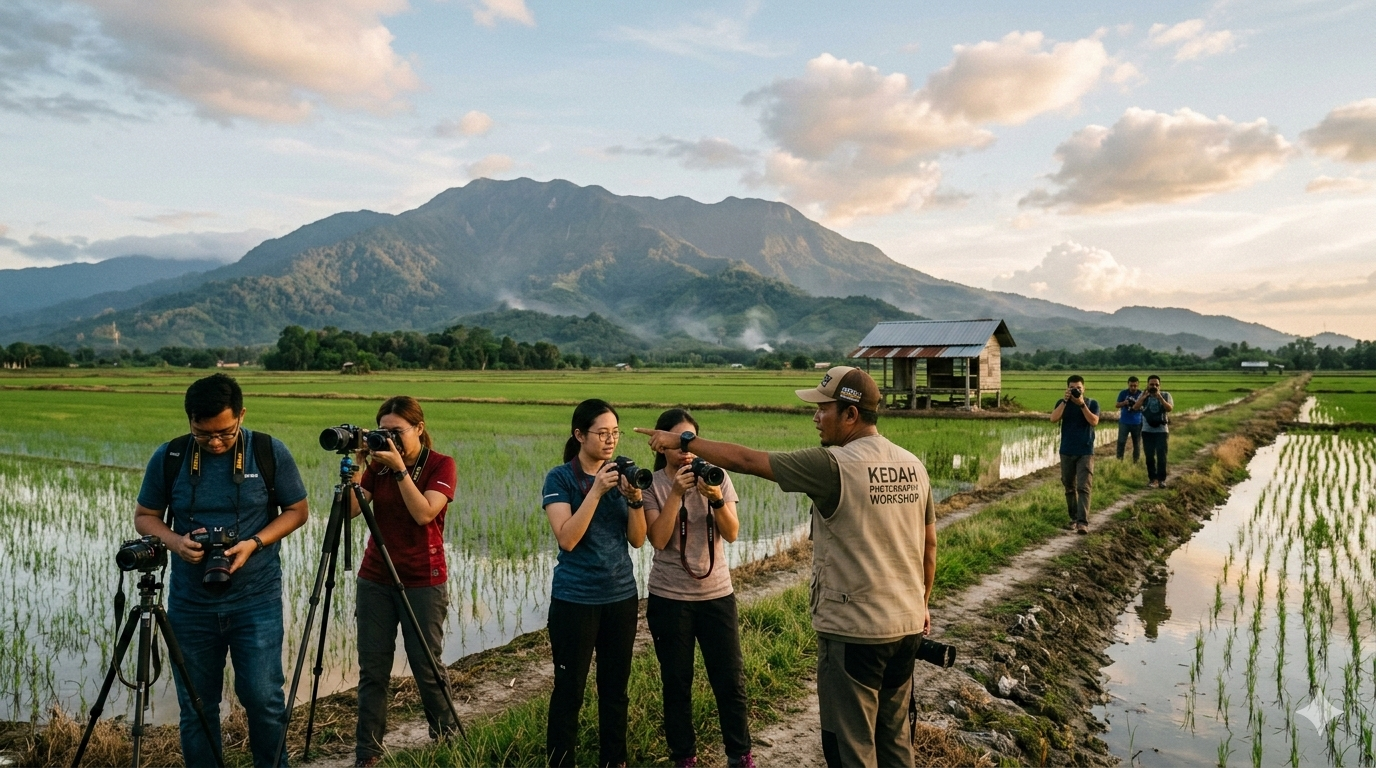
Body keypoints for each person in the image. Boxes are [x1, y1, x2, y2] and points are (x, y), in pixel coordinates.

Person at [637, 367, 936, 768]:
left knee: (851, 746)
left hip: (856, 632)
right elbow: (929, 546)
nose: (815, 417)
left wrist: (685, 440)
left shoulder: (834, 465)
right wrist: (922, 605)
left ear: (850, 415)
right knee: (897, 741)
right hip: (907, 625)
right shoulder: (912, 465)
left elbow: (746, 459)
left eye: (823, 409)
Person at [133, 373, 309, 767]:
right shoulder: (171, 456)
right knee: (197, 707)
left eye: (226, 433)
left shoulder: (268, 451)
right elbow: (145, 516)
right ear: (189, 421)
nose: (215, 442)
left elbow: (298, 511)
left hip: (256, 600)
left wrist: (255, 542)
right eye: (203, 434)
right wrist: (176, 542)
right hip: (190, 605)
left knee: (264, 699)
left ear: (242, 415)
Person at [348, 396, 459, 768]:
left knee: (426, 666)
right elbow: (350, 510)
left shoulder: (441, 464)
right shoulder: (376, 468)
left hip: (422, 579)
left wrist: (398, 470)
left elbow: (424, 513)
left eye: (397, 432)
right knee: (373, 670)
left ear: (419, 429)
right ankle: (368, 753)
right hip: (376, 576)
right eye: (383, 432)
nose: (390, 439)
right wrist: (355, 471)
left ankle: (447, 738)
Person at [642, 408, 753, 768]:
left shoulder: (716, 477)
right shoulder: (653, 484)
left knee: (730, 682)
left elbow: (732, 533)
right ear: (661, 445)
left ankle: (740, 755)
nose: (685, 450)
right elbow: (657, 540)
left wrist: (716, 497)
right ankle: (684, 757)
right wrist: (676, 493)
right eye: (677, 442)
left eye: (690, 440)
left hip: (717, 595)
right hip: (670, 597)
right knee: (677, 683)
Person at [542, 399, 647, 767]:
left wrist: (634, 500)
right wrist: (597, 491)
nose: (610, 441)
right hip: (575, 599)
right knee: (569, 690)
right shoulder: (561, 478)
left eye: (615, 433)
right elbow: (567, 539)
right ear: (579, 435)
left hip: (620, 596)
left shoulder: (623, 474)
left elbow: (637, 540)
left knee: (615, 690)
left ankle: (613, 760)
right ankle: (560, 761)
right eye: (602, 433)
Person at [1050, 374, 1100, 535]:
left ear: (1084, 388)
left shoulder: (1092, 403)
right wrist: (1065, 401)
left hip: (1085, 451)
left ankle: (1082, 523)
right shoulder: (1062, 402)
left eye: (1079, 388)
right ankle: (1073, 518)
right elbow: (1053, 419)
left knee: (1083, 487)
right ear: (1068, 389)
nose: (1076, 390)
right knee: (1069, 486)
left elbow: (1094, 421)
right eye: (1073, 388)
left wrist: (1081, 404)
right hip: (1066, 450)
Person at [1133, 375, 1174, 488]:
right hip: (1147, 431)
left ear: (1160, 385)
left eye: (1156, 384)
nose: (1154, 386)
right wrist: (1143, 397)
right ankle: (1152, 479)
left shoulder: (1165, 395)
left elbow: (1169, 409)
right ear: (1147, 384)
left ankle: (1162, 480)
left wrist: (1159, 397)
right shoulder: (1143, 395)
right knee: (1149, 456)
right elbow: (1135, 407)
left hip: (1162, 431)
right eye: (1151, 384)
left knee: (1162, 456)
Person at [1115, 376, 1143, 462]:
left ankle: (1136, 462)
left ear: (1138, 385)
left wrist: (1137, 405)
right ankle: (1119, 461)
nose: (1133, 388)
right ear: (1128, 385)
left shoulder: (1141, 394)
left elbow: (1145, 407)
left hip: (1137, 422)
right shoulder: (1123, 393)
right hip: (1124, 422)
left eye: (1135, 386)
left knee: (1137, 444)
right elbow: (1117, 405)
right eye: (1131, 386)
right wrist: (1124, 402)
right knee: (1121, 442)